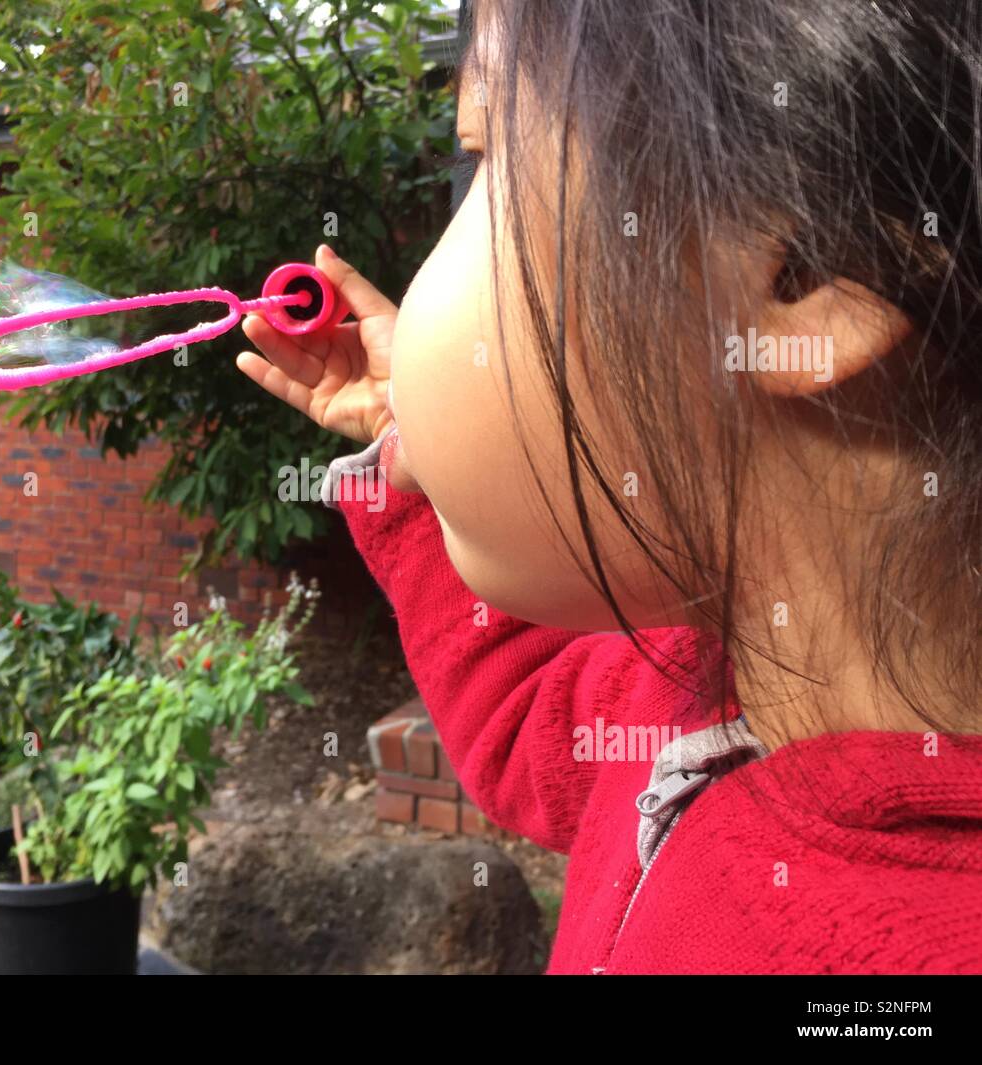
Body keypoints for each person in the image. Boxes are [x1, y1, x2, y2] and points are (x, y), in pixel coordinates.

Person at [235, 0, 982, 974]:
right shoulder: (701, 685)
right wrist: (407, 450)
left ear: (809, 269)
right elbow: (515, 711)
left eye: (485, 159)